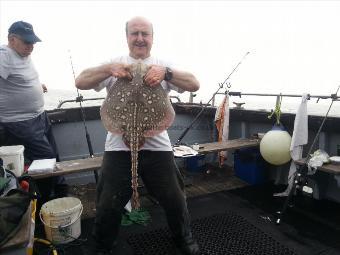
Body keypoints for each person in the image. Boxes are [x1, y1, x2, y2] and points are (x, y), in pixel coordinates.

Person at [75, 16, 200, 255]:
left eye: (145, 33)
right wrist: (107, 69)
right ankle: (101, 245)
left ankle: (183, 237)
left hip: (158, 145)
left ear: (152, 38)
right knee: (107, 203)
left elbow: (194, 84)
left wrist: (168, 74)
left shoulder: (163, 65)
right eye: (135, 33)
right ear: (127, 37)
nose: (140, 38)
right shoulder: (115, 64)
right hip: (118, 145)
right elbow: (80, 81)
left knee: (175, 197)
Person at [0, 21, 65, 206]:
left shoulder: (23, 54)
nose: (31, 46)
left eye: (33, 42)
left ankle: (60, 190)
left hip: (40, 117)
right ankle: (46, 199)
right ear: (12, 39)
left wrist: (38, 86)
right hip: (20, 122)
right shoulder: (4, 55)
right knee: (46, 158)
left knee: (54, 156)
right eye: (27, 42)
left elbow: (19, 78)